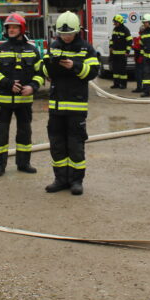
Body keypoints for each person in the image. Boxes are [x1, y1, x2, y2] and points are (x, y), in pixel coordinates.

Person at [42, 11, 100, 195]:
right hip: (56, 107)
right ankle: (60, 179)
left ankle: (76, 181)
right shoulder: (55, 45)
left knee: (75, 145)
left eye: (69, 34)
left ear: (76, 31)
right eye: (62, 34)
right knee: (57, 144)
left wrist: (74, 66)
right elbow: (42, 66)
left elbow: (92, 72)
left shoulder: (86, 49)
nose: (65, 37)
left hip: (76, 106)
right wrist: (49, 69)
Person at [0, 13, 44, 176]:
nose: (11, 30)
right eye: (9, 27)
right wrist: (8, 84)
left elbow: (40, 73)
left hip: (25, 101)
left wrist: (33, 87)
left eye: (14, 27)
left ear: (22, 28)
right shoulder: (0, 49)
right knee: (1, 135)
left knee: (25, 133)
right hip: (3, 100)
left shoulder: (32, 50)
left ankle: (24, 163)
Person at [109, 14, 133, 89]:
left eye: (115, 22)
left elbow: (130, 41)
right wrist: (111, 47)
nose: (114, 23)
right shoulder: (115, 29)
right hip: (115, 53)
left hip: (123, 54)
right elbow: (112, 40)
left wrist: (127, 51)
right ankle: (116, 84)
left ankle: (123, 84)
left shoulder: (125, 30)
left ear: (120, 22)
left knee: (122, 70)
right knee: (115, 69)